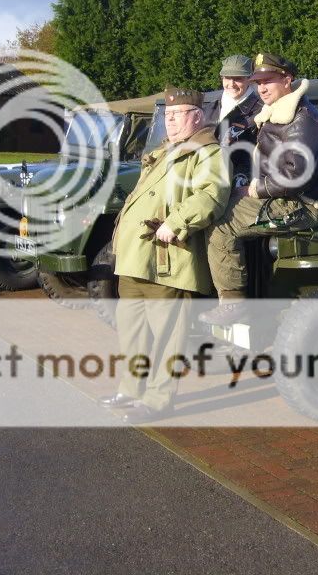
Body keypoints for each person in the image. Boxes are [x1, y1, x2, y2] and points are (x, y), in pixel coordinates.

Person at [99, 86, 230, 423]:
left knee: (167, 337)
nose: (170, 122)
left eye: (178, 115)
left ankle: (159, 400)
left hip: (167, 259)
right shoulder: (165, 150)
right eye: (167, 116)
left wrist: (176, 222)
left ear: (197, 117)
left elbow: (212, 194)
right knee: (132, 331)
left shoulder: (207, 152)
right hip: (135, 258)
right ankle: (132, 390)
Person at [200, 53, 318, 325]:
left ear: (287, 79)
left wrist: (253, 190)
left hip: (303, 204)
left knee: (221, 223)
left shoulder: (301, 118)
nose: (261, 88)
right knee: (217, 205)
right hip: (283, 196)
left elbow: (297, 175)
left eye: (268, 81)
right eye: (257, 82)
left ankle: (233, 302)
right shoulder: (279, 111)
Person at [217, 54, 263, 189]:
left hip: (240, 183)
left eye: (238, 79)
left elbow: (259, 154)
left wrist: (242, 181)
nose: (231, 84)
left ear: (250, 79)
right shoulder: (212, 106)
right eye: (227, 78)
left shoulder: (261, 110)